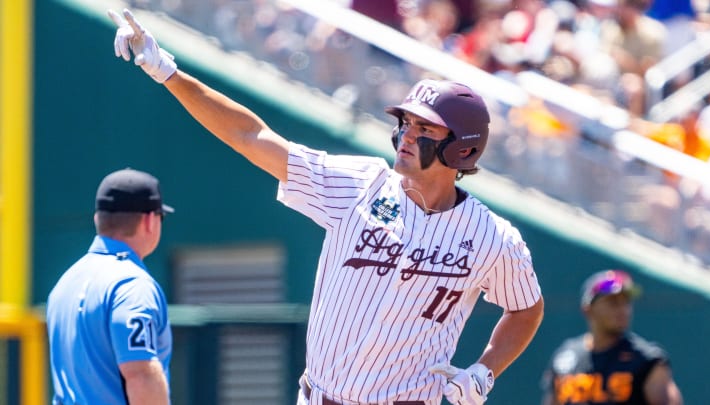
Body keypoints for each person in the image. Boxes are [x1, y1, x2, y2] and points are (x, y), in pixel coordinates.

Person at [108, 8, 544, 405]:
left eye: (424, 128)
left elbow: (526, 307)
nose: (407, 135)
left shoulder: (491, 236)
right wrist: (168, 73)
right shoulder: (360, 184)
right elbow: (252, 137)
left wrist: (485, 371)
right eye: (405, 123)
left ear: (463, 151)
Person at [46, 168, 174, 404]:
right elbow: (141, 374)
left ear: (98, 219)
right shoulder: (132, 285)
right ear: (149, 220)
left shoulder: (64, 284)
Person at [541, 269, 684, 405]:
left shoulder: (645, 359)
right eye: (613, 302)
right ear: (588, 309)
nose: (623, 310)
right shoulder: (564, 357)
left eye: (626, 302)